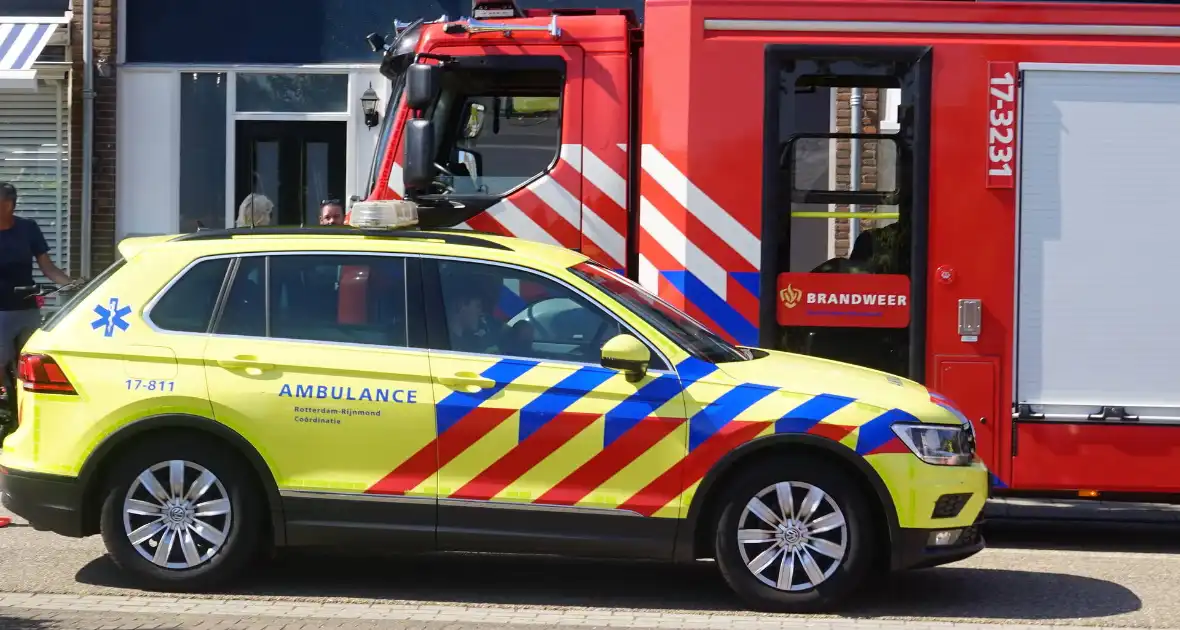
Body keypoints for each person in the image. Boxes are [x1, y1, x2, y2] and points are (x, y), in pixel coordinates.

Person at [0, 182, 73, 426]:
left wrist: (74, 285)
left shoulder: (28, 229)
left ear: (9, 205)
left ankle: (27, 413)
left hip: (27, 307)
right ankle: (3, 411)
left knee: (30, 364)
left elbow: (48, 267)